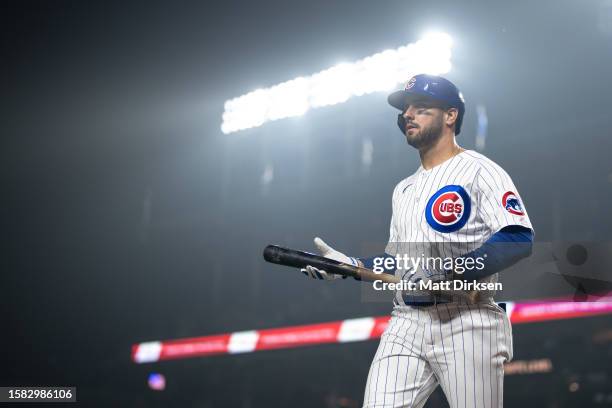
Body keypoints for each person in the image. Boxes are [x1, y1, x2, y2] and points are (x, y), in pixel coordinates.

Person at [301, 74, 534, 407]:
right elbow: (397, 261)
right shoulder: (404, 189)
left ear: (451, 115)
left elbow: (518, 238)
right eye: (405, 110)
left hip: (467, 320)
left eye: (421, 108)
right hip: (407, 320)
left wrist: (449, 272)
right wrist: (350, 266)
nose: (407, 114)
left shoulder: (481, 170)